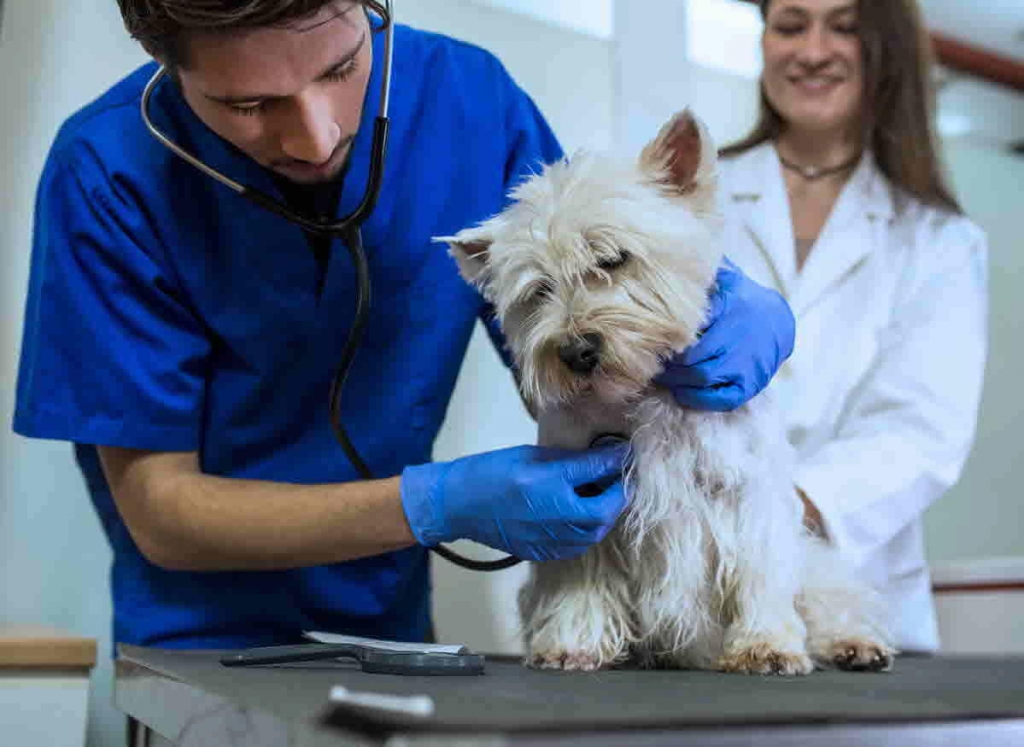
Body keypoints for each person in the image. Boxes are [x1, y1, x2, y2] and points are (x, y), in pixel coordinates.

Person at [13, 0, 794, 652]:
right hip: (202, 641)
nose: (314, 138)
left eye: (340, 69)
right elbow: (160, 511)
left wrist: (708, 291)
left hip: (390, 634)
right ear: (168, 66)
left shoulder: (470, 102)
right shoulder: (107, 169)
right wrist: (437, 502)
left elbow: (576, 317)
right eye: (249, 106)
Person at [716, 0, 988, 652]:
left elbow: (920, 431)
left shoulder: (940, 239)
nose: (812, 50)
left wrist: (770, 510)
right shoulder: (697, 194)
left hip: (861, 602)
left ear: (883, 47)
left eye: (843, 27)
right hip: (700, 591)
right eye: (789, 25)